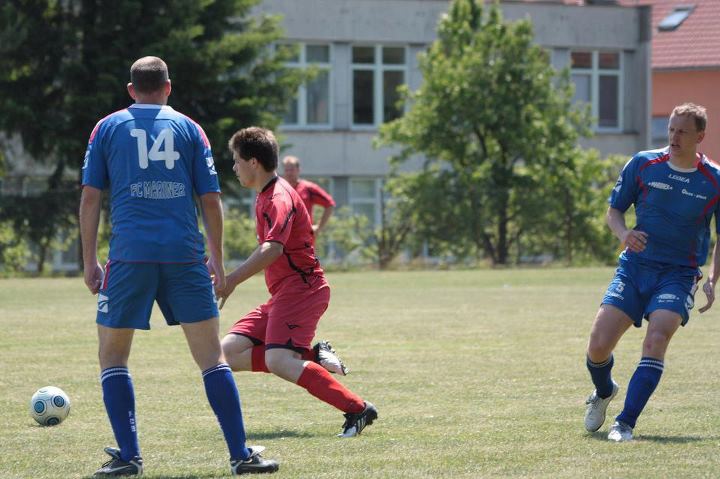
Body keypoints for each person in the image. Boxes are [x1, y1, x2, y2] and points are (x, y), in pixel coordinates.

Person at [79, 56, 278, 476]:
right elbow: (211, 199)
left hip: (130, 257)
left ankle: (129, 457)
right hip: (185, 257)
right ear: (168, 87)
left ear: (131, 90)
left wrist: (89, 259)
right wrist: (218, 260)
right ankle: (241, 455)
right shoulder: (190, 129)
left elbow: (91, 198)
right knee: (211, 357)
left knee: (112, 357)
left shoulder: (107, 127)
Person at [219, 127, 377, 438]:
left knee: (278, 360)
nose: (234, 167)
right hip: (284, 293)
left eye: (237, 161)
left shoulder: (278, 197)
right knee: (227, 351)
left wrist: (232, 279)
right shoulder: (265, 193)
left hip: (302, 289)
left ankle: (358, 408)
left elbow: (273, 248)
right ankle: (312, 356)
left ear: (253, 162)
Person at [583, 103, 719, 442]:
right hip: (634, 268)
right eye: (671, 129)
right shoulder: (643, 164)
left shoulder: (714, 180)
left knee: (657, 338)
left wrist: (713, 279)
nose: (674, 136)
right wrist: (624, 234)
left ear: (700, 136)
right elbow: (614, 211)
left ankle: (624, 423)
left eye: (682, 131)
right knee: (598, 347)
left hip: (679, 274)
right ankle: (603, 391)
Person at [282, 155, 335, 236]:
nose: (289, 173)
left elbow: (330, 204)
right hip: (284, 239)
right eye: (286, 170)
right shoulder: (280, 190)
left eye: (292, 169)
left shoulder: (308, 188)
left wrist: (318, 227)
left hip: (304, 240)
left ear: (298, 170)